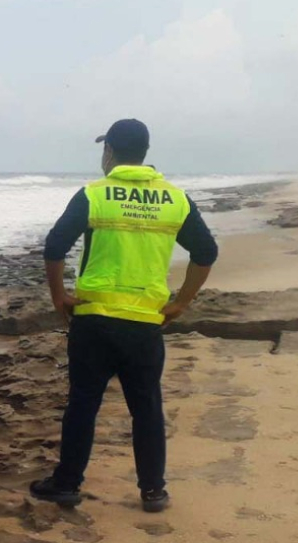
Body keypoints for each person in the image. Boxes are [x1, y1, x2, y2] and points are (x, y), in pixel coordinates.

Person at [30, 119, 219, 513]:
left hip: (94, 319)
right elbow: (206, 252)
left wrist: (59, 296)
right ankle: (153, 491)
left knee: (83, 404)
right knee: (146, 406)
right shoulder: (175, 199)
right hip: (145, 324)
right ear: (145, 152)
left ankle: (66, 484)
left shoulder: (94, 195)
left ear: (110, 152)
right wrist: (181, 301)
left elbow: (54, 246)